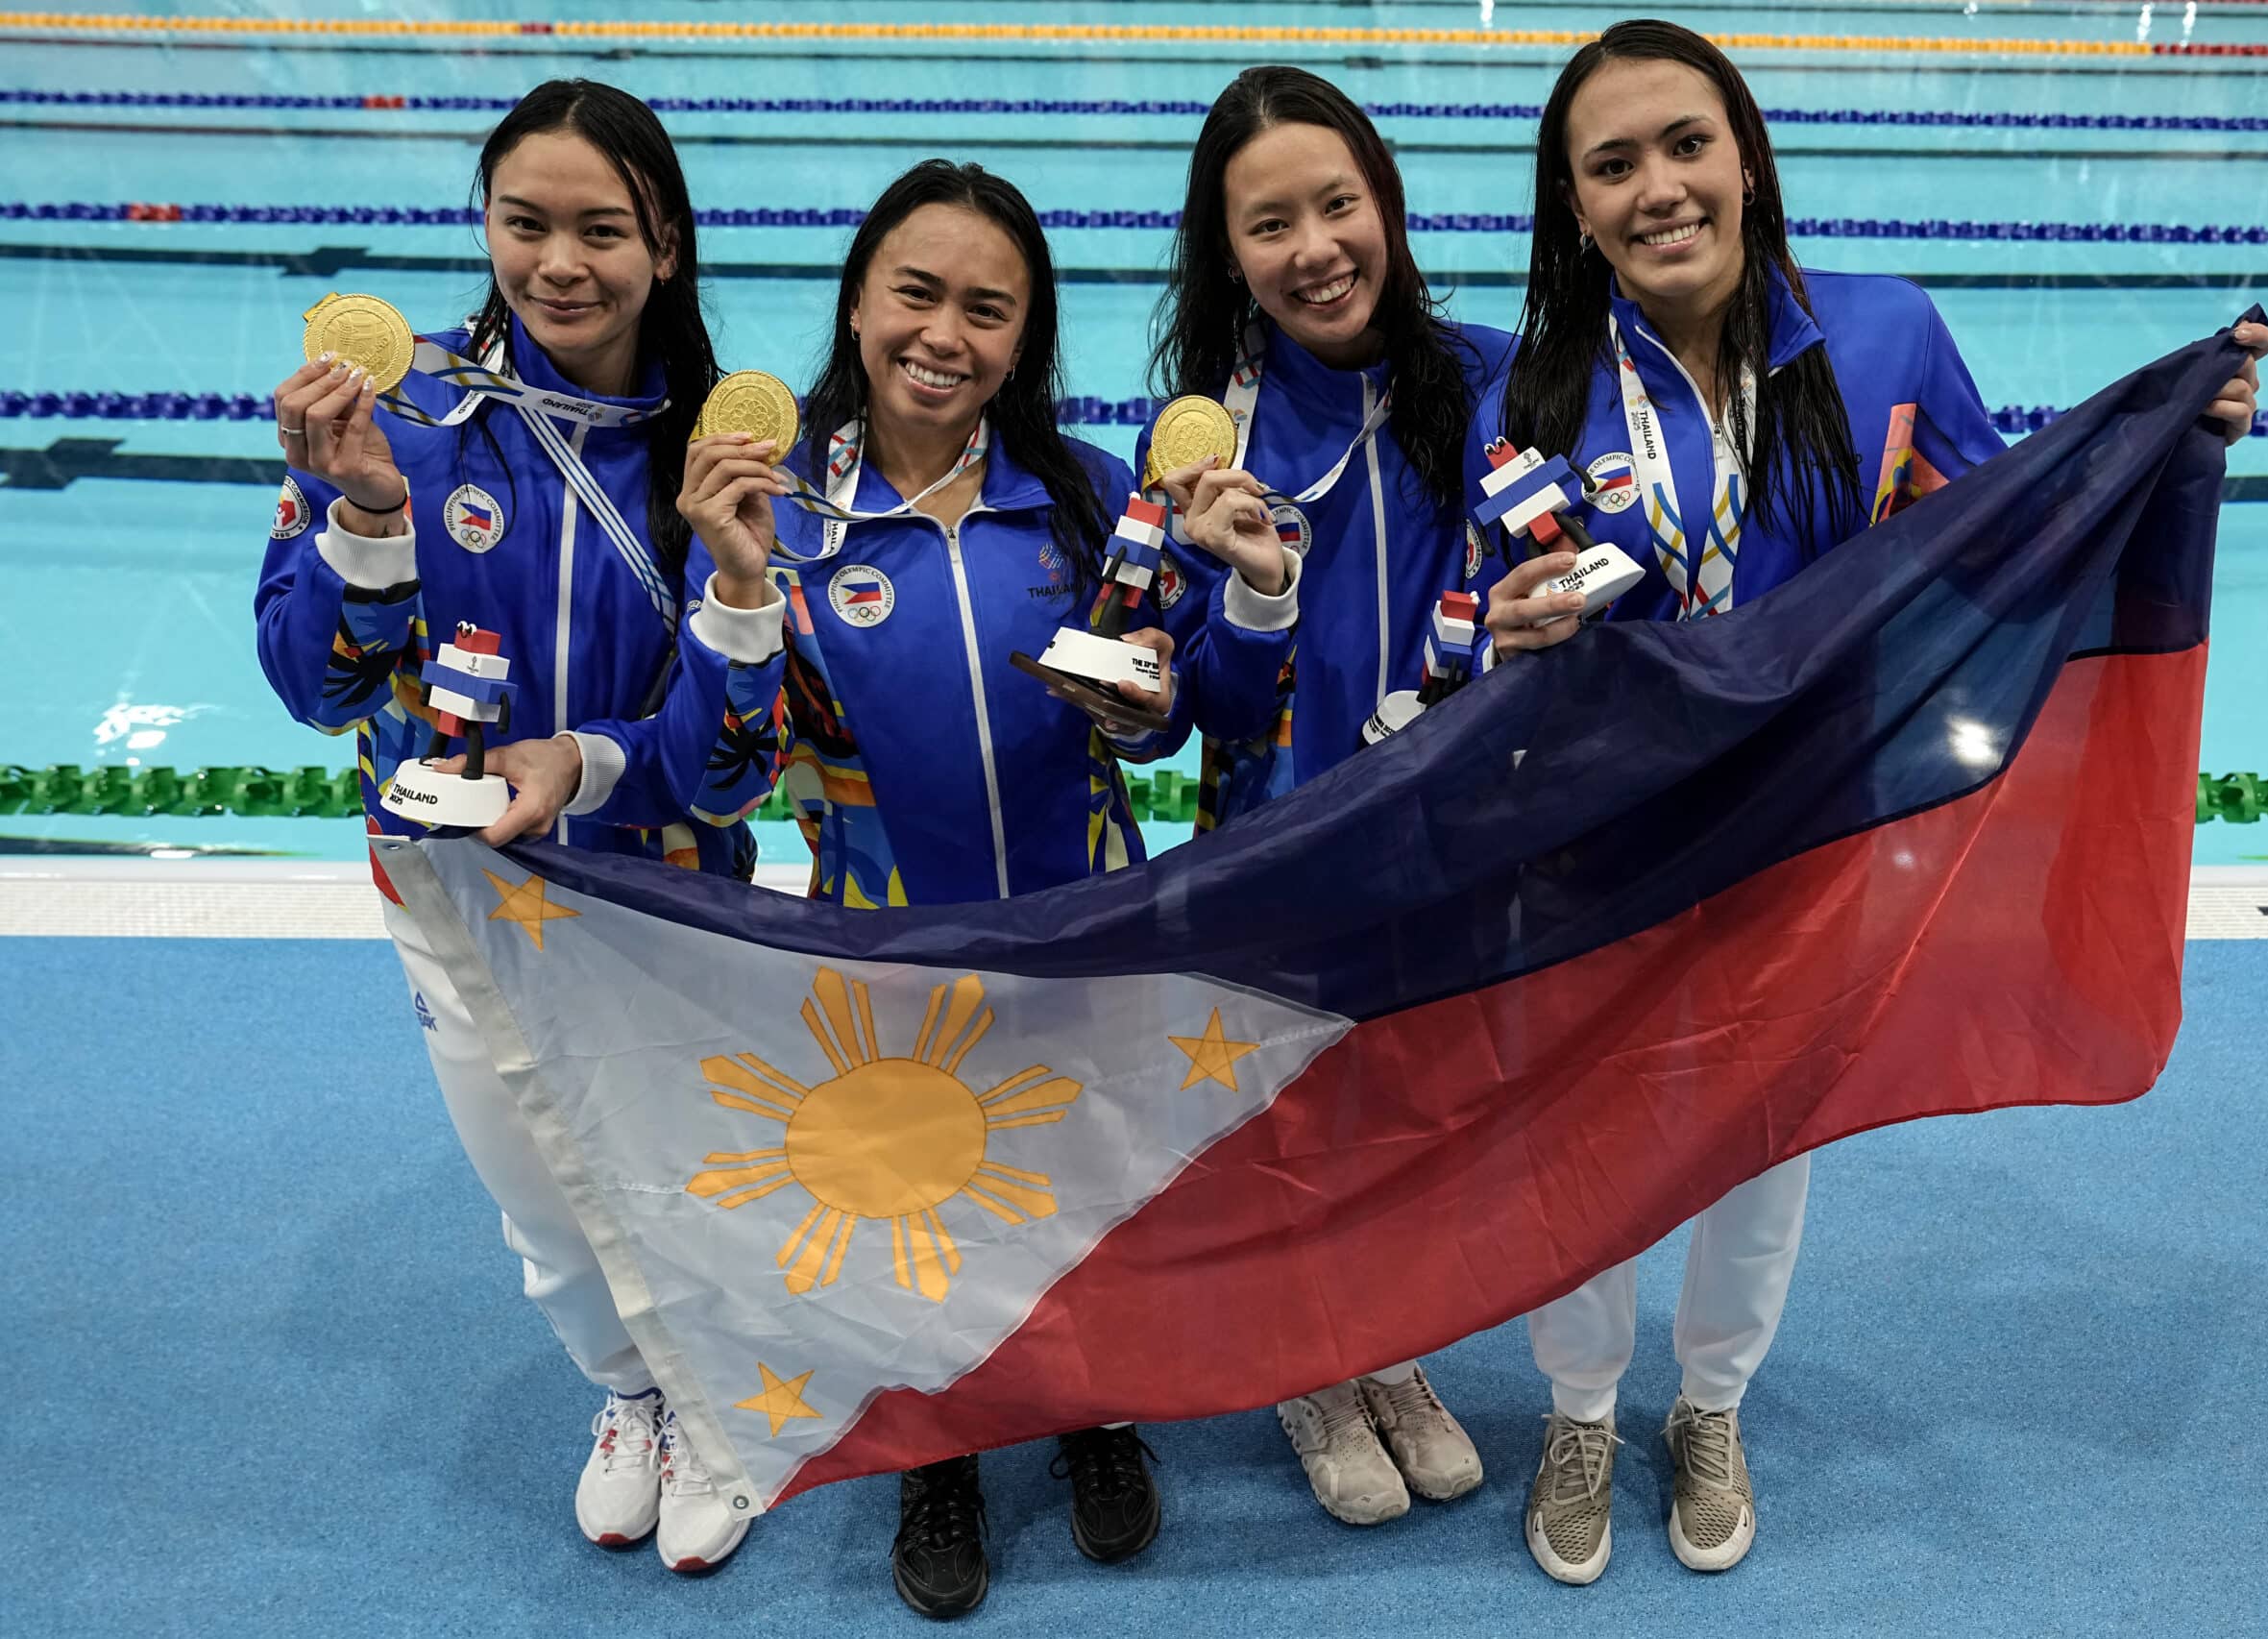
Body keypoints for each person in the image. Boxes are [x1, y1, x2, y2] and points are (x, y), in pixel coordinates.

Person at [1465, 18, 2268, 1588]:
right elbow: (1452, 615)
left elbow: (2007, 537)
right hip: (1589, 838)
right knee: (1574, 1136)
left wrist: (2168, 456)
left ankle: (1708, 1405)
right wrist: (1490, 627)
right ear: (1573, 206)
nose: (1659, 188)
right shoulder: (1532, 383)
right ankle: (1578, 1410)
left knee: (1767, 1140)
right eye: (1613, 164)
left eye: (1685, 145)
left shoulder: (1887, 337)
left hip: (1802, 839)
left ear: (1746, 156)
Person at [522, 159, 1294, 1619]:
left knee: (1090, 1183)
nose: (946, 334)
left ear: (1025, 335)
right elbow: (724, 774)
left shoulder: (1081, 501)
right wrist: (737, 591)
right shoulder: (780, 511)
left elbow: (1190, 706)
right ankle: (935, 1449)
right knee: (921, 1206)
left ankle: (1093, 1409)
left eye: (987, 310)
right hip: (883, 951)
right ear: (860, 301)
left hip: (1088, 927)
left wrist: (1243, 594)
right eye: (917, 294)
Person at [252, 79, 761, 1574]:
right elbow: (306, 684)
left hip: (659, 888)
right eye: (523, 222)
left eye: (601, 228)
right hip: (455, 889)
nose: (558, 262)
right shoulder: (399, 419)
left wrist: (587, 761)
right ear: (483, 227)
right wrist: (363, 519)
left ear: (664, 242)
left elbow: (729, 763)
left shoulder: (713, 453)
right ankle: (632, 1396)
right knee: (538, 1191)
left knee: (683, 1165)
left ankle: (721, 1408)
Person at [1141, 62, 1510, 1532]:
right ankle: (1310, 1361)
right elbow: (1205, 719)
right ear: (1227, 251)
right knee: (1282, 1110)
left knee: (1414, 1107)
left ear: (1387, 203)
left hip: (1443, 839)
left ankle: (1391, 1340)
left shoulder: (1490, 379)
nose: (1316, 248)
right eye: (1270, 222)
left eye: (1337, 203)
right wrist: (1254, 588)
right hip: (1270, 844)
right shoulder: (1205, 445)